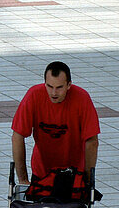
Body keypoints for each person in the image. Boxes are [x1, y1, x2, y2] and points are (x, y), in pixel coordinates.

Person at [11, 61, 100, 189]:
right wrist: (23, 180)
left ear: (69, 85)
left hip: (74, 176)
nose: (53, 93)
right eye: (49, 86)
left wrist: (87, 180)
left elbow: (92, 141)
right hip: (42, 174)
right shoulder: (34, 95)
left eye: (59, 87)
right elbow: (17, 136)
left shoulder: (82, 98)